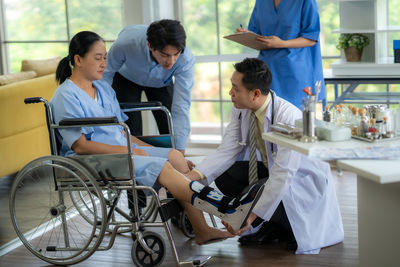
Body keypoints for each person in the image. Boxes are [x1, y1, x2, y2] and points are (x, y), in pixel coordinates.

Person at [50, 31, 264, 245]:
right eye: (98, 58)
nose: (104, 63)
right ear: (78, 60)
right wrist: (129, 151)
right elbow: (80, 145)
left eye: (105, 57)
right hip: (93, 160)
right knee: (162, 167)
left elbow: (123, 133)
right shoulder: (65, 95)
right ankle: (225, 208)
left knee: (173, 156)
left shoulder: (104, 89)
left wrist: (143, 148)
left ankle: (202, 229)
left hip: (119, 152)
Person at [187, 58, 344, 254]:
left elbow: (282, 175)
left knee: (267, 189)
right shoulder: (241, 111)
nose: (230, 93)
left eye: (235, 88)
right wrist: (193, 176)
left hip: (300, 180)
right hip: (272, 170)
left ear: (255, 94)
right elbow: (227, 151)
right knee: (227, 175)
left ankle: (285, 227)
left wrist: (248, 217)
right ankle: (272, 225)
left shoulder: (288, 118)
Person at [103, 19, 194, 154]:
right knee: (131, 127)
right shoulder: (125, 44)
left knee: (169, 126)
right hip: (127, 78)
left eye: (176, 54)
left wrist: (179, 150)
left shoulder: (186, 59)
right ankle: (136, 163)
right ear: (150, 46)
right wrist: (104, 110)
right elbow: (105, 76)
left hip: (161, 82)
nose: (171, 61)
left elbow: (181, 104)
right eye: (165, 55)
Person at [236, 0, 325, 109]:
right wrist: (245, 35)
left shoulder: (305, 1)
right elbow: (257, 33)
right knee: (268, 118)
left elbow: (311, 38)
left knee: (295, 120)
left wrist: (282, 43)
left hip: (294, 73)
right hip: (267, 71)